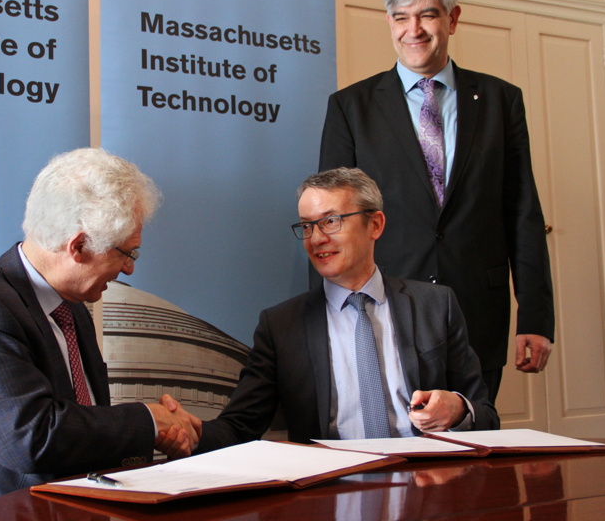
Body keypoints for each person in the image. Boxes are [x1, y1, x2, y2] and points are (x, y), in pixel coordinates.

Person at [318, 0, 554, 402]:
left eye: (427, 14)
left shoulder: (502, 102)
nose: (414, 30)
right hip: (384, 311)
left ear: (452, 18)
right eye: (401, 17)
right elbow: (331, 220)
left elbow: (522, 213)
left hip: (477, 314)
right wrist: (327, 319)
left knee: (475, 442)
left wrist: (536, 319)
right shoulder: (351, 107)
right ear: (389, 21)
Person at [0, 148, 202, 521]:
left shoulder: (71, 309)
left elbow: (80, 426)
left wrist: (160, 432)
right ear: (79, 246)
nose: (130, 270)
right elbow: (32, 438)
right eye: (127, 254)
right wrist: (148, 421)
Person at [197, 168, 498, 452]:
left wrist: (458, 411)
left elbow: (486, 416)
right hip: (331, 491)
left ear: (375, 225)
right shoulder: (280, 326)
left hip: (427, 484)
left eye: (330, 221)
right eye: (306, 225)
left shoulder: (435, 305)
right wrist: (183, 433)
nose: (316, 239)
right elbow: (239, 427)